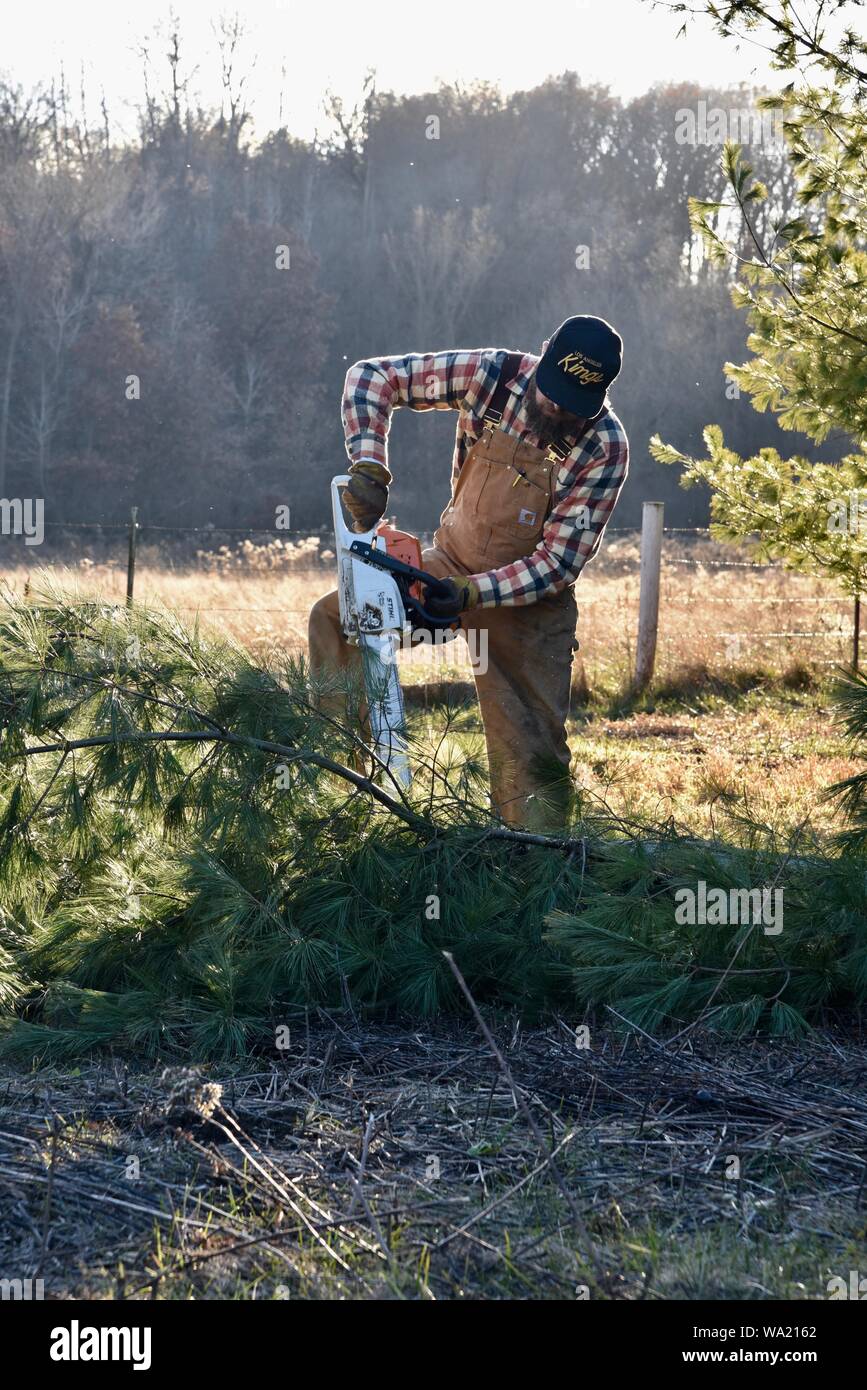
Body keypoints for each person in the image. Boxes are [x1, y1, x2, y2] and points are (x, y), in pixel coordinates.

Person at [309, 315, 629, 830]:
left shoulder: (603, 448)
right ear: (542, 355)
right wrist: (369, 463)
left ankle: (537, 873)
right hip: (449, 564)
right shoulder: (492, 375)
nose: (556, 408)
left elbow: (557, 563)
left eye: (573, 404)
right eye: (551, 392)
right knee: (337, 620)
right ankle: (343, 789)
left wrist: (472, 595)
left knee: (528, 763)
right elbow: (371, 377)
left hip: (528, 606)